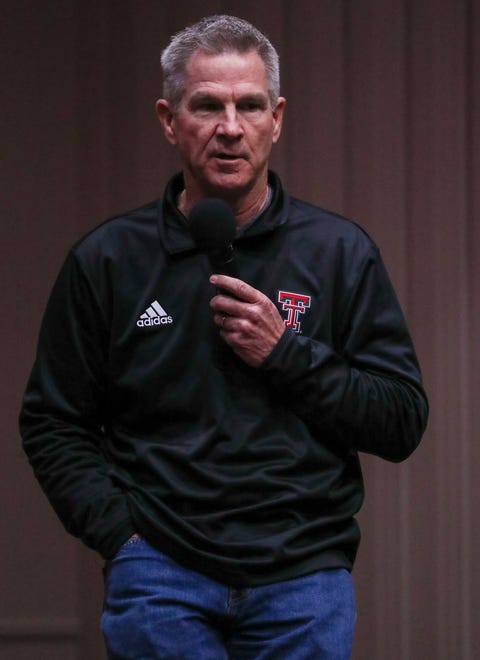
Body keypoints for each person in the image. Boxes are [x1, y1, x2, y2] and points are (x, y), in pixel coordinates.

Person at [20, 14, 428, 660]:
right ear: (167, 119)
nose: (230, 128)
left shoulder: (338, 254)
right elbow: (51, 421)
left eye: (249, 105)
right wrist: (120, 535)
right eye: (207, 105)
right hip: (160, 573)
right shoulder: (108, 261)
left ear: (278, 117)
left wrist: (286, 353)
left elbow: (402, 419)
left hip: (302, 578)